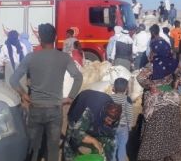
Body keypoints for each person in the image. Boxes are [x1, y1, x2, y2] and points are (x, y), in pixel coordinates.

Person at [10, 23, 83, 161]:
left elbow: (13, 80)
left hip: (35, 108)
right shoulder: (64, 58)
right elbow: (78, 77)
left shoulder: (30, 57)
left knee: (33, 147)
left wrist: (24, 94)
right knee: (53, 148)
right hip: (55, 110)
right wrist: (70, 97)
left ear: (39, 39)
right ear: (55, 38)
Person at [136, 38, 181, 161]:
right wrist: (177, 83)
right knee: (172, 134)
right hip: (172, 102)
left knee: (153, 137)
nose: (151, 53)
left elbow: (140, 78)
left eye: (152, 51)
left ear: (155, 52)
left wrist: (151, 86)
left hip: (156, 104)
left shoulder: (152, 65)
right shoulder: (173, 63)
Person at [64, 89, 122, 160]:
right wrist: (94, 141)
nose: (110, 123)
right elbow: (76, 133)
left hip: (97, 111)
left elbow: (111, 139)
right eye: (109, 120)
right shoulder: (90, 112)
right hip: (79, 108)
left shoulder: (115, 116)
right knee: (71, 141)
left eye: (112, 121)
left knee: (104, 140)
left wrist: (106, 157)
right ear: (104, 114)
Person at [110, 78, 133, 161]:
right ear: (126, 89)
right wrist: (129, 127)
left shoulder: (109, 97)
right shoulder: (127, 99)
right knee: (122, 145)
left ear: (114, 88)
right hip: (123, 127)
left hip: (111, 126)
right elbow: (129, 114)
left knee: (113, 145)